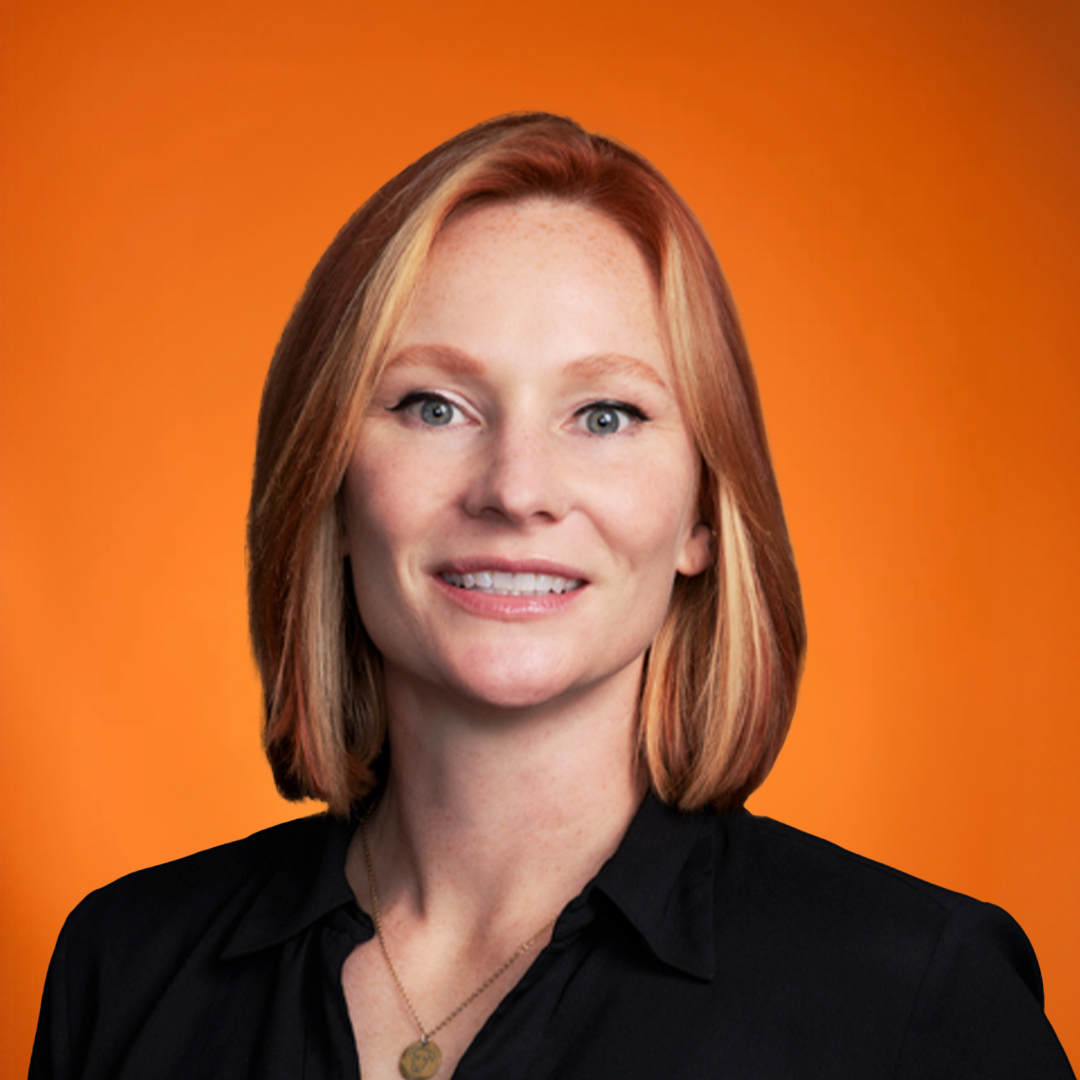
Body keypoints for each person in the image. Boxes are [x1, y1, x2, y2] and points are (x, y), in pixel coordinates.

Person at [30, 113, 1074, 1080]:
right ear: (333, 493)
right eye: (433, 405)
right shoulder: (124, 967)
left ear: (704, 517)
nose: (516, 490)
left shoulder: (917, 1000)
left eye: (607, 415)